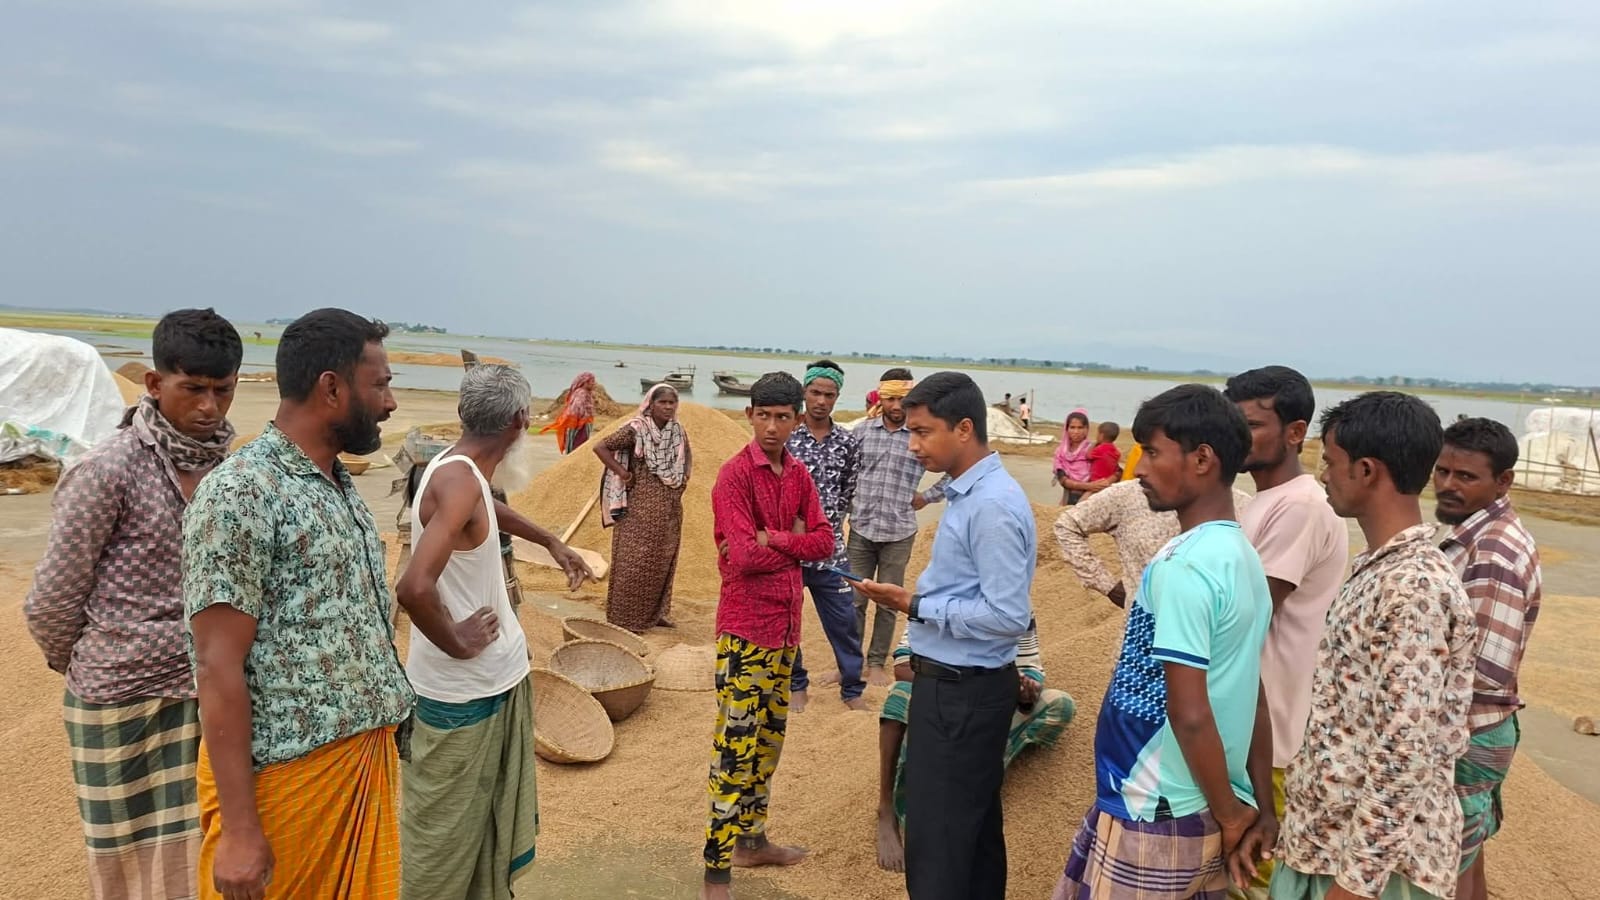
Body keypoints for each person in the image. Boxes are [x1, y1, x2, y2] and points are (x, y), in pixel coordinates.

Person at [184, 308, 416, 899]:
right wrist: (239, 832)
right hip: (287, 789)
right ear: (332, 387)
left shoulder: (339, 484)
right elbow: (216, 665)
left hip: (355, 772)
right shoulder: (241, 492)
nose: (390, 403)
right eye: (381, 384)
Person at [25, 308, 241, 900]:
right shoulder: (106, 470)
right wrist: (100, 657)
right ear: (153, 384)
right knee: (126, 867)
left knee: (208, 851)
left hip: (208, 694)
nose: (208, 407)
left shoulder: (233, 472)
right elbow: (52, 600)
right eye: (191, 389)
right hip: (118, 697)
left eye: (221, 391)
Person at [1054, 384, 1273, 900]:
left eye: (1152, 453)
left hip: (1155, 803)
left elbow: (1190, 712)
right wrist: (1253, 805)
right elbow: (1254, 695)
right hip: (1186, 799)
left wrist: (1232, 815)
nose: (1140, 469)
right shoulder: (1240, 554)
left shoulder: (1181, 566)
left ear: (1202, 459)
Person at [1262, 392, 1476, 900]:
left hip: (1371, 874)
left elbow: (1406, 750)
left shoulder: (1413, 587)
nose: (1322, 476)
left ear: (1366, 470)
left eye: (1330, 462)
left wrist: (1356, 883)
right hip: (1326, 847)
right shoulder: (1378, 568)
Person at [396, 365, 592, 900]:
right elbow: (413, 587)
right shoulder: (458, 479)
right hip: (464, 694)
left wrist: (550, 538)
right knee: (440, 843)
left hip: (490, 685)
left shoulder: (459, 469)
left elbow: (484, 510)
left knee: (476, 829)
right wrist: (456, 640)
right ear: (520, 421)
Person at [856, 372, 1035, 900]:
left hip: (962, 693)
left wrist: (912, 603)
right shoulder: (970, 494)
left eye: (922, 432)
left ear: (963, 428)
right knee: (969, 841)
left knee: (939, 848)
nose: (912, 446)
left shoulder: (992, 505)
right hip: (957, 688)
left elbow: (1007, 615)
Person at [702, 372, 836, 900]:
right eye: (765, 415)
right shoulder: (733, 477)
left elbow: (825, 541)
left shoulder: (799, 476)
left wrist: (773, 537)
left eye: (785, 417)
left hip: (784, 633)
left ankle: (753, 841)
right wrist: (790, 542)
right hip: (744, 634)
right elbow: (743, 555)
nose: (774, 426)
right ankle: (716, 870)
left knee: (768, 744)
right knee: (734, 750)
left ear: (799, 419)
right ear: (749, 415)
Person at [1223, 366, 1349, 899]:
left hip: (1271, 738)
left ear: (1295, 432)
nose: (1236, 437)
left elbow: (1242, 621)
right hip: (1250, 726)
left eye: (1250, 425)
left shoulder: (1299, 506)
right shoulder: (1263, 502)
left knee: (1253, 882)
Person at [1434, 418, 1541, 900]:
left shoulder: (1491, 551)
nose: (1449, 485)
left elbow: (1485, 672)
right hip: (1478, 728)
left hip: (1469, 730)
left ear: (1503, 481)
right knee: (1464, 862)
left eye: (1466, 477)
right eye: (1442, 471)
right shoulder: (1475, 534)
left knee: (1441, 867)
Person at [875, 621, 1074, 874]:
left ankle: (979, 782)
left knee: (1059, 704)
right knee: (900, 695)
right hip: (940, 702)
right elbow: (903, 668)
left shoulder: (1015, 608)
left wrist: (1026, 691)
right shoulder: (934, 599)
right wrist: (966, 685)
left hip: (991, 708)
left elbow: (1030, 670)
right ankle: (886, 808)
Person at [849, 368, 947, 685]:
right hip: (862, 529)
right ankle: (849, 664)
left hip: (899, 532)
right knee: (854, 601)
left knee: (888, 603)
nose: (896, 405)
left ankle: (877, 663)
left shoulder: (922, 436)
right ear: (881, 397)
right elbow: (846, 471)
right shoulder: (862, 432)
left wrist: (927, 497)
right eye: (890, 398)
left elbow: (954, 469)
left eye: (902, 399)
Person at [785, 360, 867, 712]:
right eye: (815, 393)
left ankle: (852, 689)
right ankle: (796, 683)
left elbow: (848, 492)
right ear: (804, 393)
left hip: (831, 551)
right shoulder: (787, 438)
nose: (821, 401)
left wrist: (829, 524)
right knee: (788, 619)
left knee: (845, 621)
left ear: (837, 398)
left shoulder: (849, 442)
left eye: (828, 395)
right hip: (789, 551)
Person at [594, 383, 692, 632]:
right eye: (663, 402)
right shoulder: (637, 429)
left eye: (672, 402)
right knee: (634, 561)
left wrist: (680, 487)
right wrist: (623, 474)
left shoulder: (677, 431)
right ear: (651, 404)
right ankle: (624, 619)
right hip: (638, 511)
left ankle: (657, 614)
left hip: (669, 509)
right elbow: (601, 447)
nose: (668, 407)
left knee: (663, 560)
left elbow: (686, 463)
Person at [540, 371, 598, 454]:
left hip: (582, 423)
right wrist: (581, 421)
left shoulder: (585, 393)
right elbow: (576, 409)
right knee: (578, 446)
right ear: (585, 382)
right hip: (579, 424)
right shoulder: (581, 393)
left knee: (578, 445)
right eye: (592, 381)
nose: (594, 384)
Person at [1053, 408, 1099, 504]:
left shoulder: (1093, 449)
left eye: (1080, 427)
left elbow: (1117, 471)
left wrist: (1096, 486)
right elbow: (1063, 480)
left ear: (1086, 429)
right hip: (1068, 499)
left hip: (1091, 500)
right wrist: (1089, 486)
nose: (1076, 431)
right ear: (1067, 429)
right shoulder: (1060, 452)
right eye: (1072, 427)